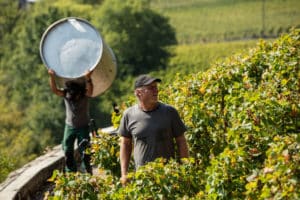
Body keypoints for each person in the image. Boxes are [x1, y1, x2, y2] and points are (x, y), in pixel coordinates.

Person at [119, 74, 189, 185]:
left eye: (156, 87)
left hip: (168, 176)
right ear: (138, 93)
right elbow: (125, 144)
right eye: (151, 88)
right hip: (143, 178)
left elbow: (181, 141)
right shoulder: (129, 115)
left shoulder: (169, 112)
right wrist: (124, 174)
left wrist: (184, 170)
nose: (156, 90)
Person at [48, 69, 94, 174]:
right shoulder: (66, 94)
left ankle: (87, 170)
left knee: (85, 150)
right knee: (67, 149)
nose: (73, 97)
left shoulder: (84, 95)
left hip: (83, 126)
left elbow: (90, 91)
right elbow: (55, 90)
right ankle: (70, 171)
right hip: (70, 126)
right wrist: (51, 77)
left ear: (80, 93)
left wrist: (88, 78)